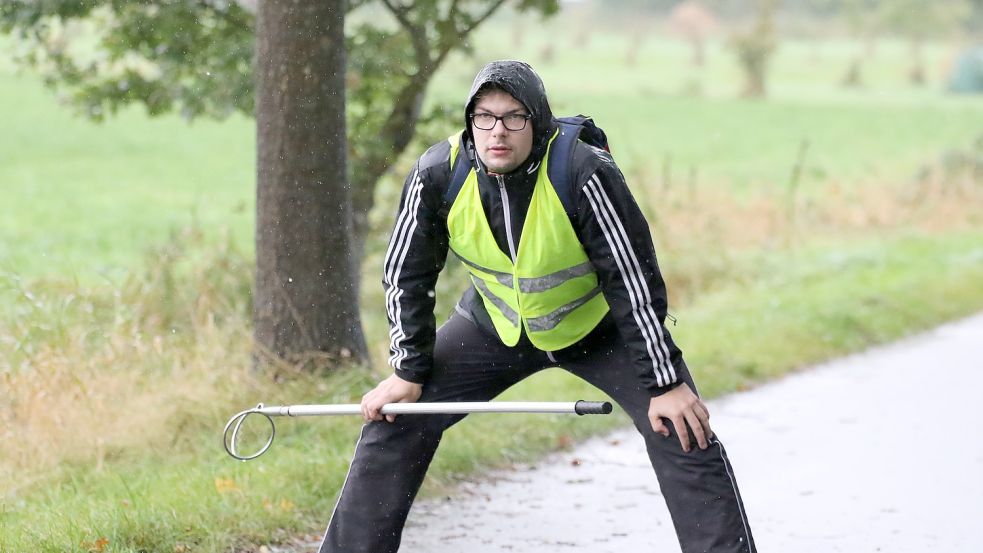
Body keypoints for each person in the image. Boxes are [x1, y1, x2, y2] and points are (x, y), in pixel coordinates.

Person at [318, 60, 755, 553]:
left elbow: (632, 280)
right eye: (484, 117)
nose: (497, 132)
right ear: (470, 122)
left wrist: (664, 382)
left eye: (514, 117)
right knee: (395, 420)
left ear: (538, 122)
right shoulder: (437, 174)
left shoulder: (584, 171)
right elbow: (406, 276)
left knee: (683, 426)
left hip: (598, 330)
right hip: (494, 328)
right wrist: (409, 370)